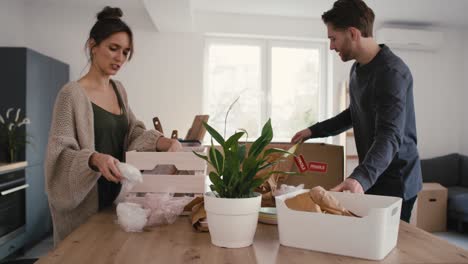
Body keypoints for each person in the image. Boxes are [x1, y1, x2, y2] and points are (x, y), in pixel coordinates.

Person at [45, 6, 182, 244]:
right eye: (113, 48)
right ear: (92, 45)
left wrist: (162, 141)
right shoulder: (71, 94)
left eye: (126, 52)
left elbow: (132, 134)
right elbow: (59, 154)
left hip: (117, 204)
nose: (120, 58)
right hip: (83, 210)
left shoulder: (119, 90)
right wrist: (93, 159)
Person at [291, 0, 422, 222]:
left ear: (352, 33)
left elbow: (389, 136)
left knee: (389, 247)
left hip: (396, 179)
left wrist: (360, 178)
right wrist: (313, 131)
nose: (331, 46)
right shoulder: (357, 69)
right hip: (374, 173)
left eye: (333, 38)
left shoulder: (391, 73)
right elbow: (355, 113)